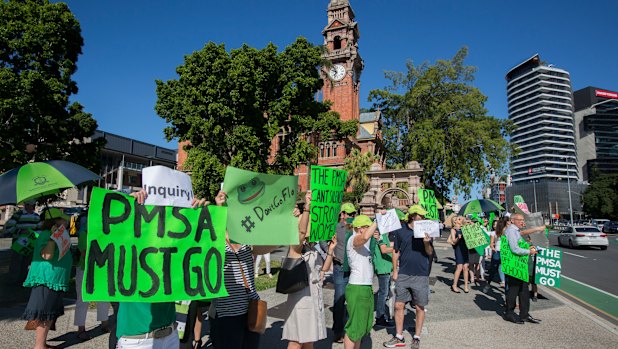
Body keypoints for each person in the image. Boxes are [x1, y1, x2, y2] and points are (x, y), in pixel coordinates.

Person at [115, 190, 185, 349]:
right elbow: (111, 232)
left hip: (171, 334)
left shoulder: (171, 251)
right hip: (136, 339)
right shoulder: (127, 250)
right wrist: (126, 205)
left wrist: (199, 213)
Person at [209, 191, 277, 349]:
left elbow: (270, 246)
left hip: (251, 309)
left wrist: (284, 224)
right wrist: (219, 208)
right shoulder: (214, 237)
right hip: (226, 312)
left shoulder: (245, 237)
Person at [283, 191, 337, 349]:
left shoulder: (314, 248)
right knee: (296, 340)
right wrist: (307, 208)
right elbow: (300, 234)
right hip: (301, 297)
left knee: (309, 339)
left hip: (314, 295)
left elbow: (324, 270)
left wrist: (331, 251)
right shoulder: (296, 247)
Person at [384, 205, 434, 349]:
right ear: (413, 215)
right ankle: (399, 336)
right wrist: (395, 270)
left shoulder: (426, 231)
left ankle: (416, 337)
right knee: (399, 305)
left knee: (419, 307)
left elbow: (430, 252)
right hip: (404, 273)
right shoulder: (401, 231)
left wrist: (426, 243)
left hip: (421, 274)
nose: (423, 218)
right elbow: (395, 251)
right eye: (421, 215)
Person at [22, 208, 72, 349]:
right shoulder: (46, 234)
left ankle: (42, 343)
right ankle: (39, 346)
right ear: (55, 222)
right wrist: (52, 237)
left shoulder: (58, 233)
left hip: (55, 279)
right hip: (47, 278)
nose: (66, 221)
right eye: (62, 219)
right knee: (44, 313)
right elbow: (46, 255)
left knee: (49, 312)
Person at [74, 209, 110, 341]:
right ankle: (81, 328)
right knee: (83, 299)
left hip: (101, 269)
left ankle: (104, 322)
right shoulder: (84, 233)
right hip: (85, 269)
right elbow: (84, 252)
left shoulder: (105, 233)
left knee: (103, 297)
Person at [343, 215, 376, 349]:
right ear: (359, 228)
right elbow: (363, 237)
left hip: (365, 286)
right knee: (354, 327)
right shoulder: (353, 239)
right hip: (357, 287)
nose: (370, 230)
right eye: (368, 227)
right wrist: (377, 222)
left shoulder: (365, 244)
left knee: (361, 326)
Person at [503, 213, 540, 325]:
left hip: (520, 266)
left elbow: (519, 246)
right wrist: (529, 251)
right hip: (514, 266)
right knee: (514, 290)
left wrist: (529, 247)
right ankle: (509, 313)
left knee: (524, 290)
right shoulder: (511, 231)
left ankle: (524, 314)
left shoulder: (516, 231)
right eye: (520, 220)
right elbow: (514, 249)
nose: (522, 222)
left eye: (522, 220)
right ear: (513, 220)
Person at [331, 202, 356, 343]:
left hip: (354, 269)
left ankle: (351, 330)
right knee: (339, 299)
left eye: (353, 214)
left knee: (352, 300)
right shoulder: (335, 227)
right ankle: (338, 331)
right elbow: (323, 240)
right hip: (340, 268)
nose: (351, 217)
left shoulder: (357, 229)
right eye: (349, 214)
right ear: (343, 214)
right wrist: (330, 253)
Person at [6, 200, 40, 285]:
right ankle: (13, 281)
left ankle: (23, 280)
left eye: (33, 205)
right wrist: (21, 231)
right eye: (29, 205)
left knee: (26, 262)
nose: (31, 207)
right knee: (16, 262)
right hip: (18, 243)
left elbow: (39, 229)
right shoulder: (18, 215)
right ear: (26, 205)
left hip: (30, 243)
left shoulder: (36, 216)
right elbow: (9, 227)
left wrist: (35, 234)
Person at [371, 218, 394, 327]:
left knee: (384, 292)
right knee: (383, 292)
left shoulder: (383, 233)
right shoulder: (381, 233)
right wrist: (398, 248)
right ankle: (380, 317)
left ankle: (382, 315)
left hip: (386, 265)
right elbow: (384, 249)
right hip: (383, 266)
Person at [483, 218, 508, 293]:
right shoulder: (493, 233)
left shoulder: (506, 232)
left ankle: (504, 282)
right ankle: (488, 283)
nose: (495, 226)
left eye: (496, 224)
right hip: (497, 252)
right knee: (493, 269)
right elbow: (491, 243)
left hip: (505, 252)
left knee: (503, 268)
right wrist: (493, 248)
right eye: (494, 224)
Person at [449, 216, 469, 293]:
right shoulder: (453, 230)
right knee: (459, 267)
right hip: (458, 249)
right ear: (455, 222)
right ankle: (454, 285)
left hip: (465, 248)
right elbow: (453, 241)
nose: (461, 220)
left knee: (466, 267)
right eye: (459, 219)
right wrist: (458, 238)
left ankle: (466, 286)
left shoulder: (465, 228)